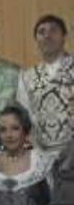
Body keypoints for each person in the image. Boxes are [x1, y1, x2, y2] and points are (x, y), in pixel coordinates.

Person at [17, 14, 74, 152]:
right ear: (36, 40)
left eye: (53, 30)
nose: (47, 36)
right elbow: (25, 117)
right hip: (42, 155)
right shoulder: (26, 77)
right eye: (41, 32)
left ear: (64, 37)